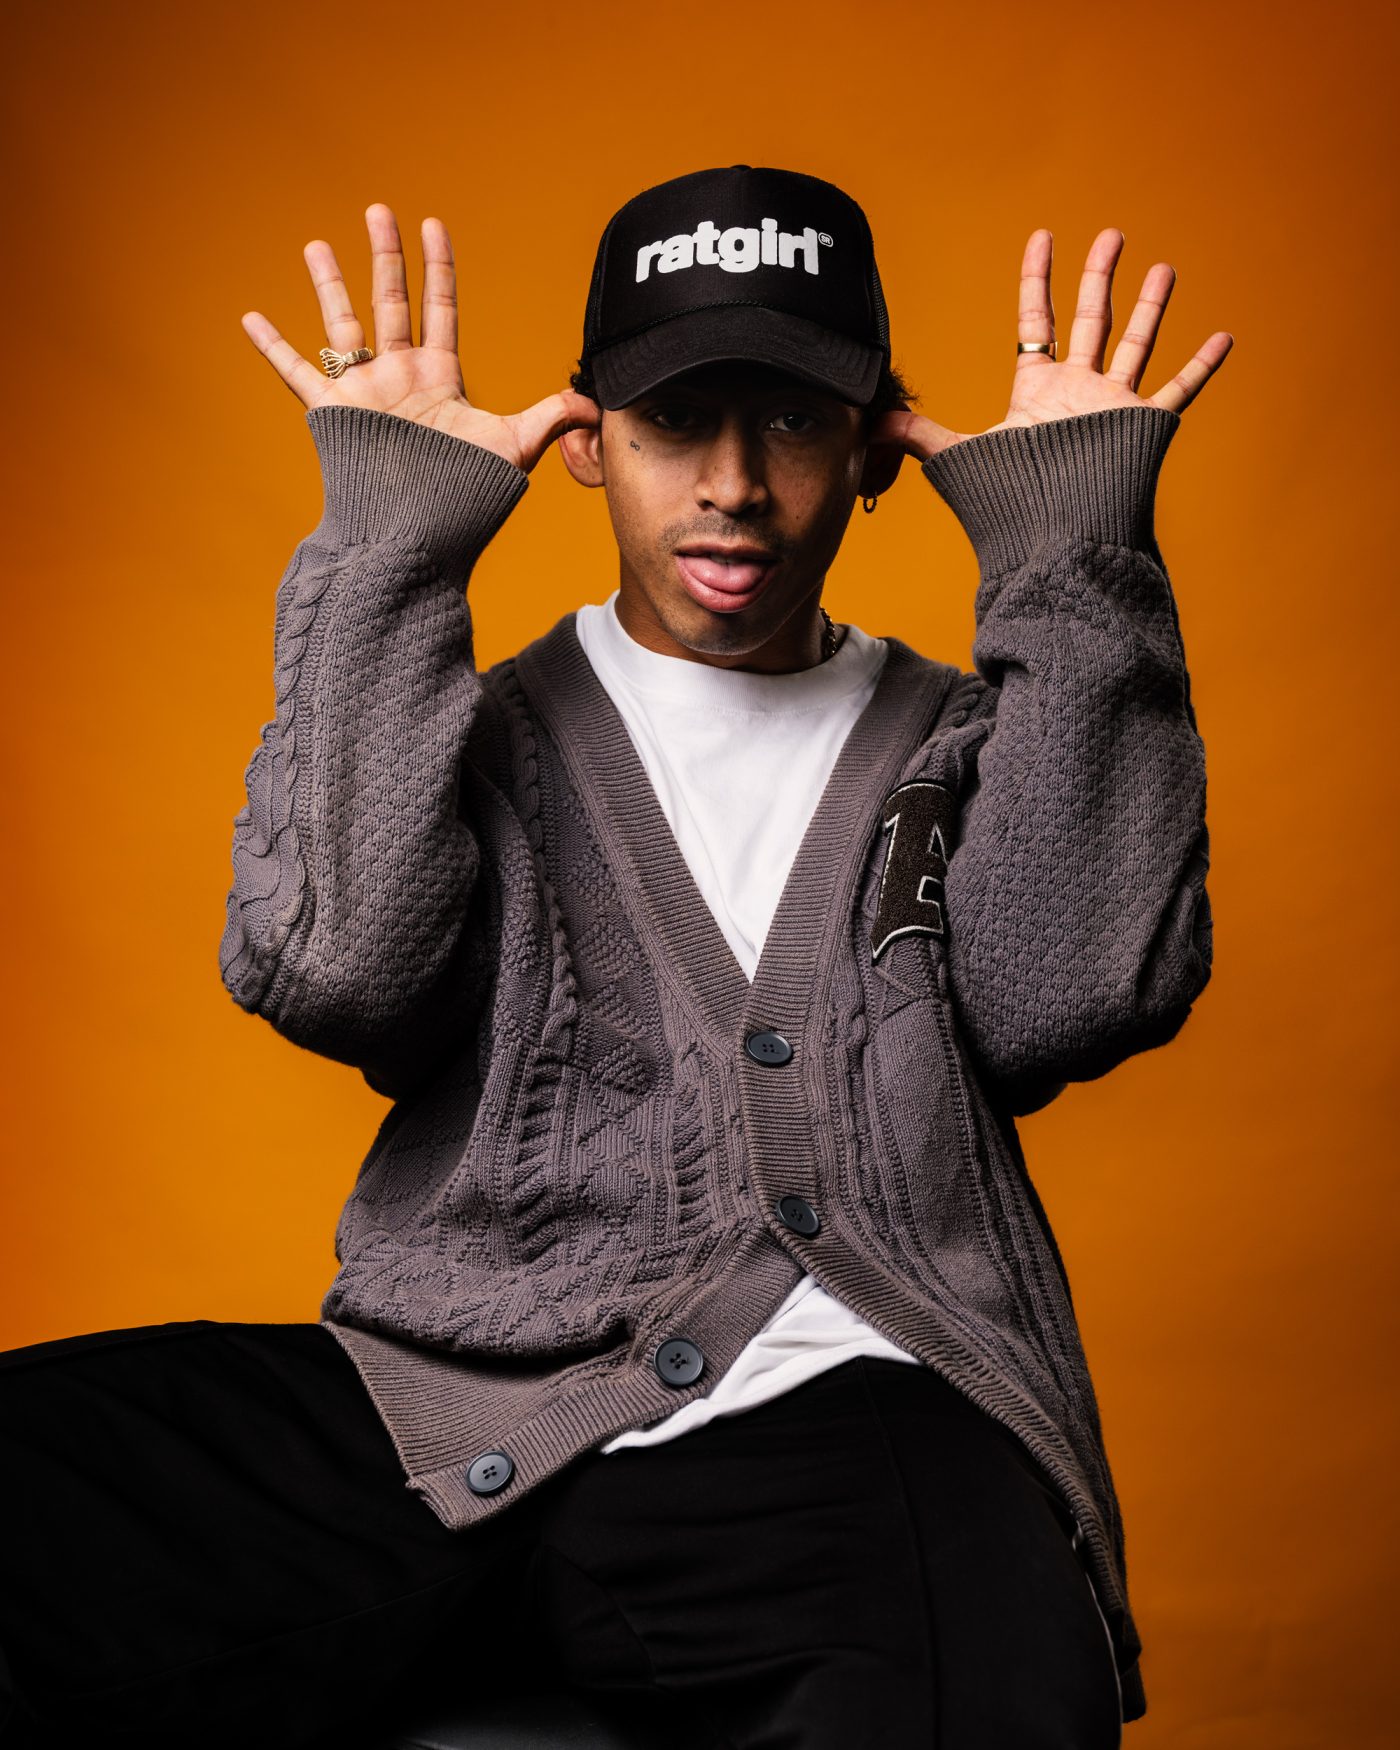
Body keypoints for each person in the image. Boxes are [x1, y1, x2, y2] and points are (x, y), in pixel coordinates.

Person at [0, 165, 1230, 1749]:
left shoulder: (968, 745)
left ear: (876, 451)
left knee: (971, 1680)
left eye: (791, 422)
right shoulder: (472, 733)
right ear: (585, 443)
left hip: (849, 1411)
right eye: (673, 423)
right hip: (453, 1393)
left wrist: (1072, 553)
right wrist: (392, 545)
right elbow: (335, 971)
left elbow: (1072, 998)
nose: (733, 483)